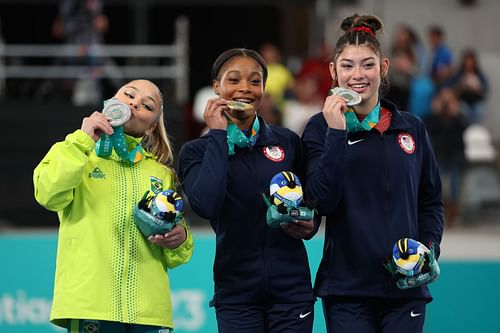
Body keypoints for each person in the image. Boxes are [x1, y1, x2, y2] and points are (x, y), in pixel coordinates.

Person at [301, 14, 444, 333]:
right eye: (348, 66)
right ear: (333, 71)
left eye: (367, 64)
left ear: (384, 67)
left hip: (405, 287)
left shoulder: (412, 128)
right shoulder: (319, 128)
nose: (358, 75)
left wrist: (428, 248)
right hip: (347, 288)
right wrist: (336, 133)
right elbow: (321, 200)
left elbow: (430, 202)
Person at [33, 79, 194, 333]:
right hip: (91, 305)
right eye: (129, 95)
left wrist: (180, 237)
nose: (134, 103)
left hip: (149, 312)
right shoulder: (78, 154)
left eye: (146, 105)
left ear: (152, 127)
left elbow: (175, 251)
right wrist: (82, 140)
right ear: (111, 103)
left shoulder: (160, 173)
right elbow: (48, 193)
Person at [178, 48, 317, 333]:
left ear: (264, 88)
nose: (245, 89)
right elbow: (206, 204)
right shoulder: (197, 151)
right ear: (216, 86)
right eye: (233, 80)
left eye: (255, 81)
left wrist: (310, 224)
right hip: (236, 292)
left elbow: (310, 201)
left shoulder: (288, 142)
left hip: (292, 290)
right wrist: (217, 135)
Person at [425, 87, 469, 228]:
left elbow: (463, 129)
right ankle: (441, 214)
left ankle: (454, 214)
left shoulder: (459, 118)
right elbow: (429, 129)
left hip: (455, 156)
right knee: (441, 186)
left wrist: (455, 113)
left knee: (455, 186)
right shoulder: (432, 118)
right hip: (439, 156)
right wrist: (436, 112)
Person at [447, 48, 489, 124]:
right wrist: (461, 86)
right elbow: (450, 88)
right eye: (467, 62)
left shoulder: (480, 76)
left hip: (476, 102)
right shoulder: (458, 75)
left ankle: (473, 129)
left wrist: (475, 88)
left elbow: (485, 91)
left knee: (479, 110)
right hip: (463, 101)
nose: (469, 65)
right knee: (463, 111)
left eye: (471, 63)